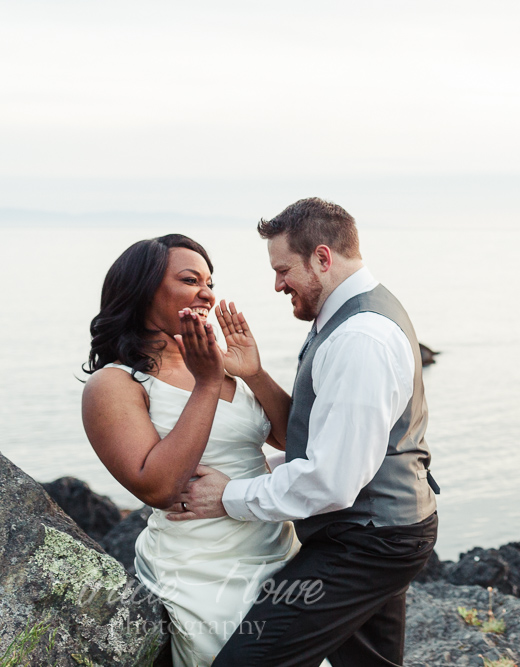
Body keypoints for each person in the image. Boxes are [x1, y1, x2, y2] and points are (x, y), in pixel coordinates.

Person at [170, 198, 440, 667]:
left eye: (283, 270)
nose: (277, 285)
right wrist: (254, 374)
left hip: (367, 542)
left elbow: (332, 481)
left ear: (322, 257)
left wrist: (228, 495)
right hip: (387, 529)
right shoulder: (349, 314)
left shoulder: (361, 338)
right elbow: (330, 439)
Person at [82, 234, 298, 666]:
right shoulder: (115, 384)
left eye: (210, 282)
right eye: (189, 279)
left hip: (280, 551)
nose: (207, 293)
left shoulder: (217, 362)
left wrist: (253, 373)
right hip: (200, 569)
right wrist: (205, 383)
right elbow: (158, 487)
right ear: (143, 291)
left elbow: (296, 443)